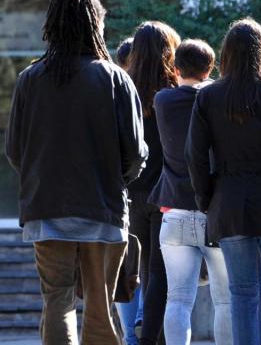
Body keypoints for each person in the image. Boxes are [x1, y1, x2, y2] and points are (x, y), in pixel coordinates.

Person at [5, 0, 147, 344]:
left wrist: (40, 178)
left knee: (57, 302)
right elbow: (135, 152)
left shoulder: (29, 80)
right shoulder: (115, 79)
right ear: (95, 25)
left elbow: (14, 150)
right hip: (103, 208)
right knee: (100, 305)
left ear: (51, 25)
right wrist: (115, 179)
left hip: (47, 208)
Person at [186, 18, 261, 345]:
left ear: (226, 54)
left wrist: (206, 200)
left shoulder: (208, 97)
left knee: (242, 293)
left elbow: (195, 156)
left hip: (230, 202)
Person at [147, 39, 232, 345]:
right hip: (216, 212)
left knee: (178, 299)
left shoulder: (163, 101)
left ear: (176, 68)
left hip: (175, 212)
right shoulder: (217, 98)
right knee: (225, 301)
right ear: (211, 69)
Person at [127, 20, 181, 345]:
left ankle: (150, 335)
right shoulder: (174, 93)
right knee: (162, 275)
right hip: (167, 193)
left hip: (134, 193)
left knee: (148, 270)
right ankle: (150, 337)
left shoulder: (125, 90)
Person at [114, 36, 145, 345]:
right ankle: (142, 321)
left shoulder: (114, 91)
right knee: (151, 265)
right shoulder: (161, 91)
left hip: (123, 194)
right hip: (157, 193)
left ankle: (130, 337)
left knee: (125, 268)